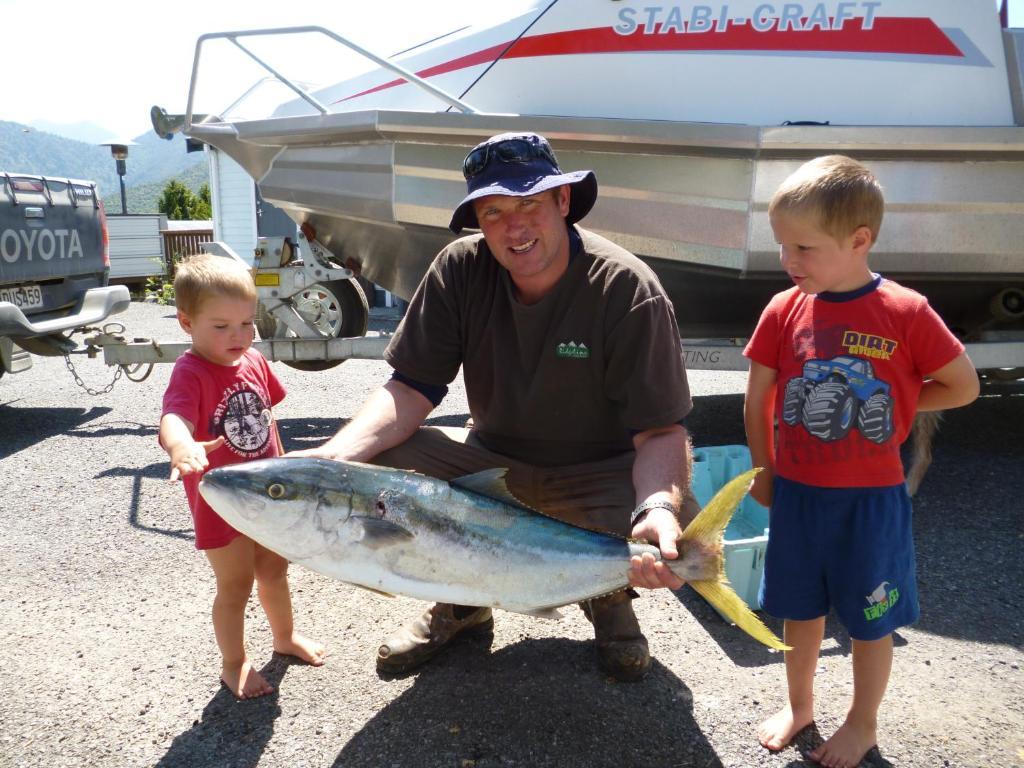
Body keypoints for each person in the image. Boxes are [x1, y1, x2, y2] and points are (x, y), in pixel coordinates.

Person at [293, 132, 696, 682]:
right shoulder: (459, 269)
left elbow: (660, 434)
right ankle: (461, 600)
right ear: (478, 220)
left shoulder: (626, 288)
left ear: (563, 201)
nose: (514, 225)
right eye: (493, 210)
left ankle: (607, 594)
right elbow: (410, 389)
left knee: (665, 502)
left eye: (529, 202)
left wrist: (658, 511)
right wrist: (334, 458)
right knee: (374, 469)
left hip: (597, 475)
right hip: (490, 465)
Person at [743, 155, 979, 767]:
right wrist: (764, 469)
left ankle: (862, 722)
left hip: (871, 503)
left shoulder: (905, 311)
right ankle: (800, 705)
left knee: (872, 619)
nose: (788, 261)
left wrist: (901, 399)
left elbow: (964, 385)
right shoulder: (783, 309)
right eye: (781, 247)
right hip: (797, 494)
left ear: (859, 241)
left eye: (803, 248)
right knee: (799, 608)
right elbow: (760, 397)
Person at [159, 253, 325, 699]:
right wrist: (182, 446)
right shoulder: (191, 371)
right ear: (185, 323)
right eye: (221, 326)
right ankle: (234, 664)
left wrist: (288, 465)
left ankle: (284, 638)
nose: (238, 336)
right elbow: (173, 418)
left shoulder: (252, 359)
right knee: (236, 585)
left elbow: (267, 419)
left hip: (270, 499)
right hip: (224, 502)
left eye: (247, 323)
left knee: (275, 569)